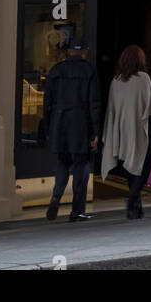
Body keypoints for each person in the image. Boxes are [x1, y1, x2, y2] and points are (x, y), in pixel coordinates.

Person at [101, 45, 151, 219]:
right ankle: (131, 200)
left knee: (131, 166)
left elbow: (112, 111)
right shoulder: (143, 78)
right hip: (142, 130)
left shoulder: (116, 81)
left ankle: (137, 208)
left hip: (123, 130)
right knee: (143, 167)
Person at [42, 37, 101, 222]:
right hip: (80, 124)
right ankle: (77, 210)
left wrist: (49, 128)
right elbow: (94, 104)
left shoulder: (56, 70)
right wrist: (95, 132)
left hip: (59, 122)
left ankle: (55, 199)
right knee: (80, 167)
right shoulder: (89, 70)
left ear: (68, 52)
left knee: (62, 163)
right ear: (85, 51)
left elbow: (47, 103)